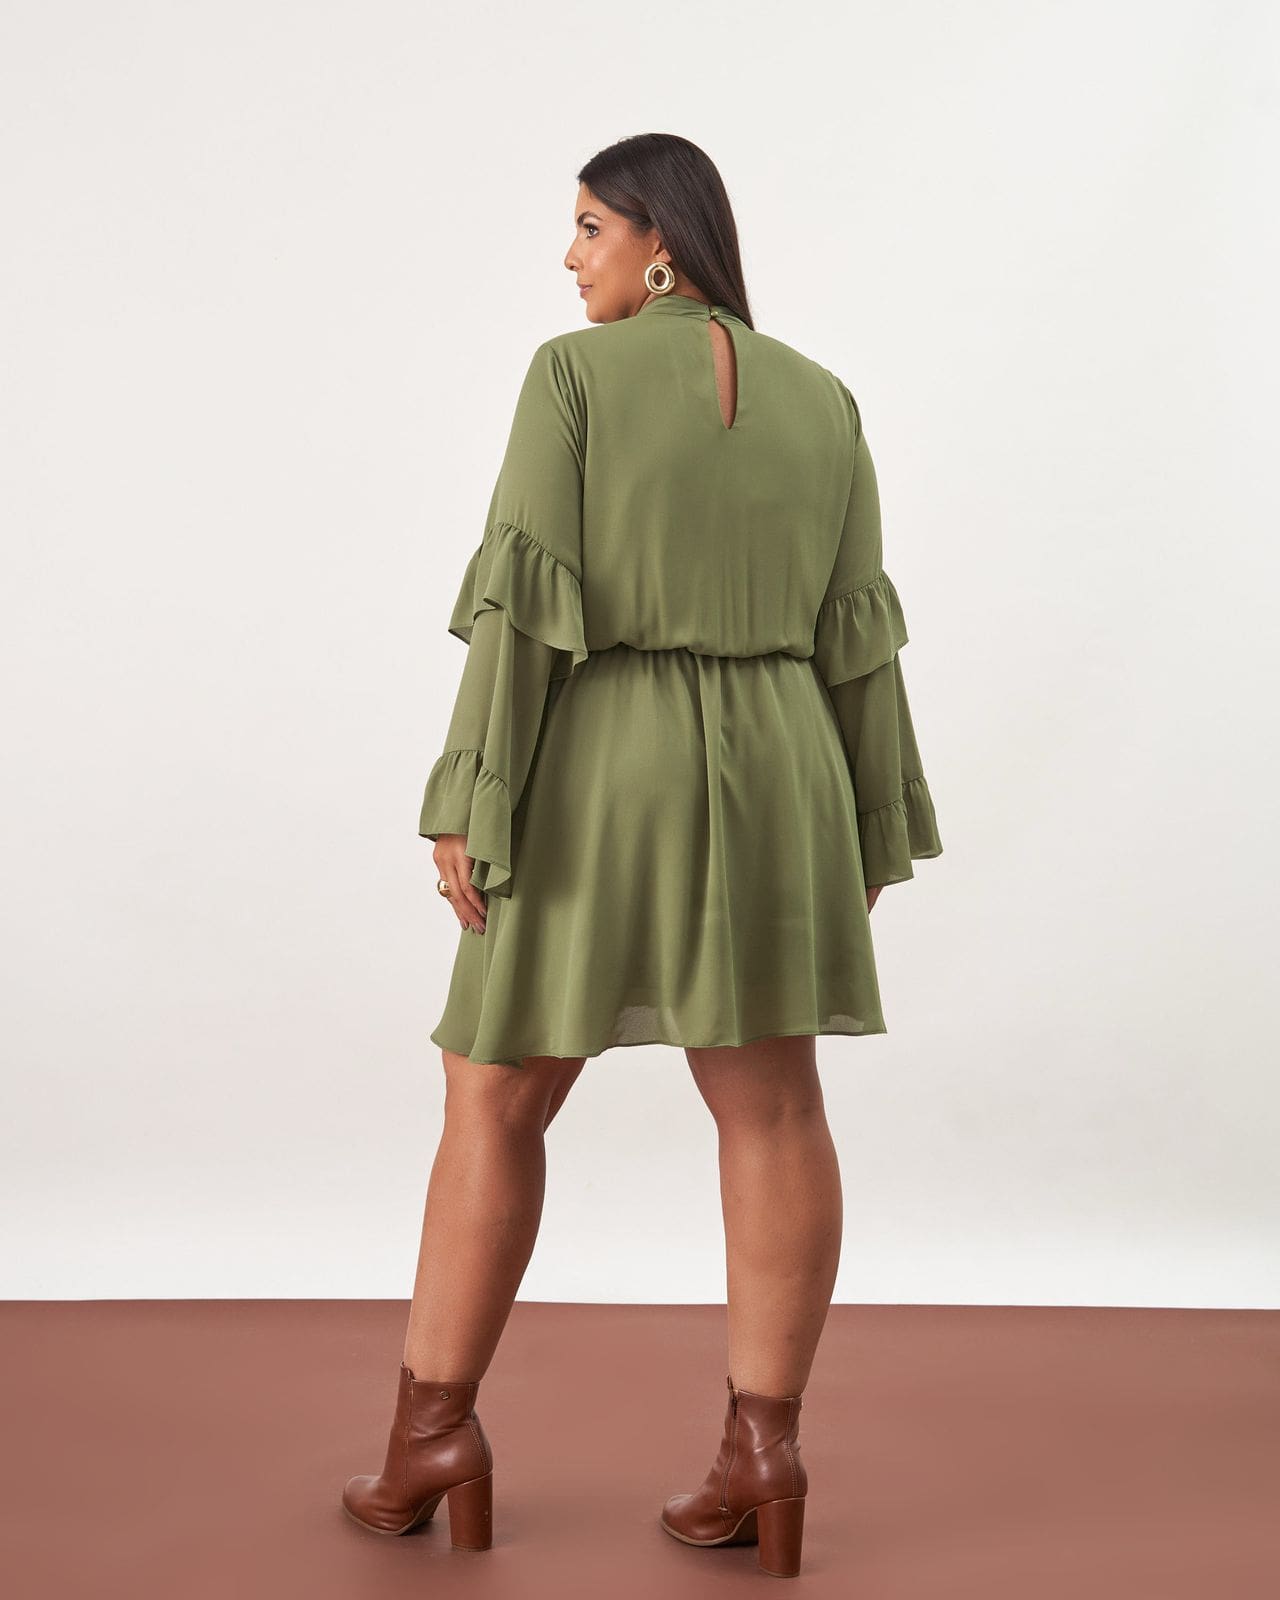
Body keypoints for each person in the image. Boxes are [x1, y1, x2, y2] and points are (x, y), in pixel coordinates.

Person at [341, 132, 943, 1578]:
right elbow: (857, 631)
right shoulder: (825, 397)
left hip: (608, 763)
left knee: (493, 1092)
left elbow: (524, 603)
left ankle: (432, 1435)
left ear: (659, 240)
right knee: (774, 1106)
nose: (571, 258)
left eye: (589, 228)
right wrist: (869, 816)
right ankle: (763, 1454)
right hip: (784, 763)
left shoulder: (572, 376)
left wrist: (469, 792)